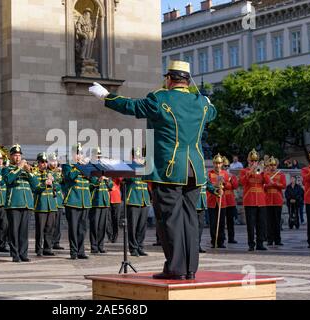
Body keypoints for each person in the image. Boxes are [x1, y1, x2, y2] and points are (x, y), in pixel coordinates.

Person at [89, 60, 216, 280]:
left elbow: (132, 106)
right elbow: (212, 113)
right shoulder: (202, 104)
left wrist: (106, 96)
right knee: (190, 220)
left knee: (170, 219)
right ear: (187, 80)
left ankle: (175, 268)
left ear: (169, 79)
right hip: (195, 170)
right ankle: (189, 269)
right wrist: (207, 101)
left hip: (169, 169)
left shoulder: (160, 99)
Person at [2, 144, 38, 262]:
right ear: (10, 157)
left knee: (24, 230)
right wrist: (19, 167)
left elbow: (36, 185)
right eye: (15, 156)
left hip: (26, 203)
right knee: (14, 230)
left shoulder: (26, 170)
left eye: (19, 155)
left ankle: (23, 253)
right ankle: (15, 253)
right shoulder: (7, 169)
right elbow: (8, 180)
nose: (17, 158)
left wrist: (29, 172)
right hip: (14, 203)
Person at [62, 144, 91, 260]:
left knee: (82, 228)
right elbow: (70, 177)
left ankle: (81, 250)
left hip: (85, 200)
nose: (79, 156)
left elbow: (92, 178)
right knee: (73, 228)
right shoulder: (67, 165)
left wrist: (88, 167)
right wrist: (79, 166)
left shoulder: (86, 166)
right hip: (73, 200)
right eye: (77, 153)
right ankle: (73, 251)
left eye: (81, 153)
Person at [239, 149, 270, 251]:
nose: (254, 163)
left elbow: (268, 182)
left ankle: (260, 243)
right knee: (250, 224)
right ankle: (251, 244)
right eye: (252, 161)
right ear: (249, 161)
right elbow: (242, 182)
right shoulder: (244, 171)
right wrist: (251, 171)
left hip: (261, 200)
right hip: (250, 200)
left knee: (261, 223)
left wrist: (264, 172)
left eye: (255, 161)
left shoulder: (261, 172)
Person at [122, 149, 151, 257]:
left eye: (141, 156)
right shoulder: (128, 165)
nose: (140, 157)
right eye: (137, 156)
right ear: (133, 156)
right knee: (133, 226)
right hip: (133, 198)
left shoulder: (145, 166)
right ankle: (133, 248)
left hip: (144, 199)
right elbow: (126, 178)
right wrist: (136, 165)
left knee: (142, 226)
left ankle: (140, 246)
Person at [34, 152, 57, 256]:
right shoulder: (35, 173)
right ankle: (38, 249)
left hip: (51, 204)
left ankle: (48, 248)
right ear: (38, 163)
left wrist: (53, 183)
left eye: (45, 162)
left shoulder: (51, 173)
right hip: (41, 205)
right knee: (40, 228)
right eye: (42, 162)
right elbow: (36, 188)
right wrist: (44, 184)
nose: (44, 164)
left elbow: (59, 187)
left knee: (49, 227)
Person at [89, 155, 113, 254]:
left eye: (99, 157)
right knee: (94, 225)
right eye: (96, 157)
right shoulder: (90, 169)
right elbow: (90, 184)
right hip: (95, 201)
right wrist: (98, 179)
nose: (98, 159)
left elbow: (111, 185)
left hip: (104, 201)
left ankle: (101, 245)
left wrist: (107, 180)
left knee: (102, 225)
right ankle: (94, 246)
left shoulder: (105, 169)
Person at [207, 154, 231, 249]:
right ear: (213, 164)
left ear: (222, 164)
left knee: (221, 222)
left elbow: (230, 186)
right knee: (213, 223)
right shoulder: (209, 173)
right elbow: (208, 186)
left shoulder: (225, 173)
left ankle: (221, 241)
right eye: (216, 163)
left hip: (222, 200)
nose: (217, 165)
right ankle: (214, 240)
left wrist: (224, 184)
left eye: (219, 163)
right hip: (212, 200)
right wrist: (215, 185)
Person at [264, 157, 286, 246]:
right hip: (268, 200)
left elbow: (284, 185)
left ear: (276, 165)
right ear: (268, 166)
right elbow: (262, 186)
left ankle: (278, 240)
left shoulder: (281, 175)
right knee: (269, 221)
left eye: (274, 165)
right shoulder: (265, 175)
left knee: (277, 221)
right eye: (271, 165)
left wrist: (275, 184)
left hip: (277, 200)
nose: (272, 167)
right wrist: (268, 185)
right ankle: (269, 239)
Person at [48, 153, 65, 250]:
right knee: (50, 223)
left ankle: (56, 242)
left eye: (55, 161)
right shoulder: (47, 171)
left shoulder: (60, 172)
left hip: (58, 200)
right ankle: (49, 242)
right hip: (50, 200)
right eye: (52, 161)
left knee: (58, 223)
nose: (54, 163)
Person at [223, 157, 238, 243]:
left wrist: (231, 179)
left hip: (230, 200)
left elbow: (235, 186)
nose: (226, 167)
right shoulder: (220, 175)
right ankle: (222, 236)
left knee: (230, 221)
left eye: (227, 166)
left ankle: (231, 238)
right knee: (221, 221)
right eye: (225, 166)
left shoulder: (232, 176)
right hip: (222, 199)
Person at [106, 177, 122, 244]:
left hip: (116, 200)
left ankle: (115, 237)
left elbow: (121, 179)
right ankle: (109, 237)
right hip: (107, 200)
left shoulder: (116, 175)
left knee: (116, 220)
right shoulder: (105, 177)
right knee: (107, 220)